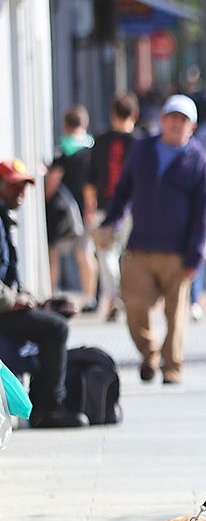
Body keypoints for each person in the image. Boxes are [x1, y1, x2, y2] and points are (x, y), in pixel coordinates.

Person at [98, 94, 206, 386]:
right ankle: (149, 351)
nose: (176, 124)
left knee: (176, 314)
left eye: (183, 120)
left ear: (192, 126)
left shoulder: (198, 159)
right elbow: (123, 188)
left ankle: (172, 366)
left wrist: (195, 254)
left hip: (179, 251)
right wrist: (111, 220)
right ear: (162, 120)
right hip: (141, 246)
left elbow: (203, 211)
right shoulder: (143, 150)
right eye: (172, 118)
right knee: (133, 302)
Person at [0, 159, 87, 428]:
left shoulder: (4, 219)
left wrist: (38, 301)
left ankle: (41, 400)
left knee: (53, 315)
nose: (21, 193)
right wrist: (15, 301)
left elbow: (9, 276)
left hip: (6, 306)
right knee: (55, 328)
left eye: (24, 187)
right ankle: (49, 408)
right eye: (14, 186)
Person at [89, 94, 141, 320]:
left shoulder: (100, 141)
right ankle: (125, 296)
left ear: (112, 115)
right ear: (135, 115)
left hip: (105, 206)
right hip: (132, 207)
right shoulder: (140, 143)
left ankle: (116, 294)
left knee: (106, 252)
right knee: (128, 254)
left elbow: (90, 179)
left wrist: (90, 206)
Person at [48, 106, 95, 301]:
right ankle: (90, 297)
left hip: (63, 211)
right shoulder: (93, 148)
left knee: (53, 252)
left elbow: (53, 180)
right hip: (87, 208)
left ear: (65, 126)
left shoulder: (62, 149)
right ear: (85, 124)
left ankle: (50, 293)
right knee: (85, 254)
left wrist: (44, 198)